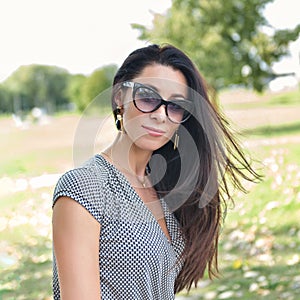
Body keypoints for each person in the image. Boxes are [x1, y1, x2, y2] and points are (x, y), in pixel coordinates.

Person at [52, 44, 260, 299]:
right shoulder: (84, 187)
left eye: (175, 106)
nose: (161, 115)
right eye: (148, 97)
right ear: (119, 97)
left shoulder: (163, 185)